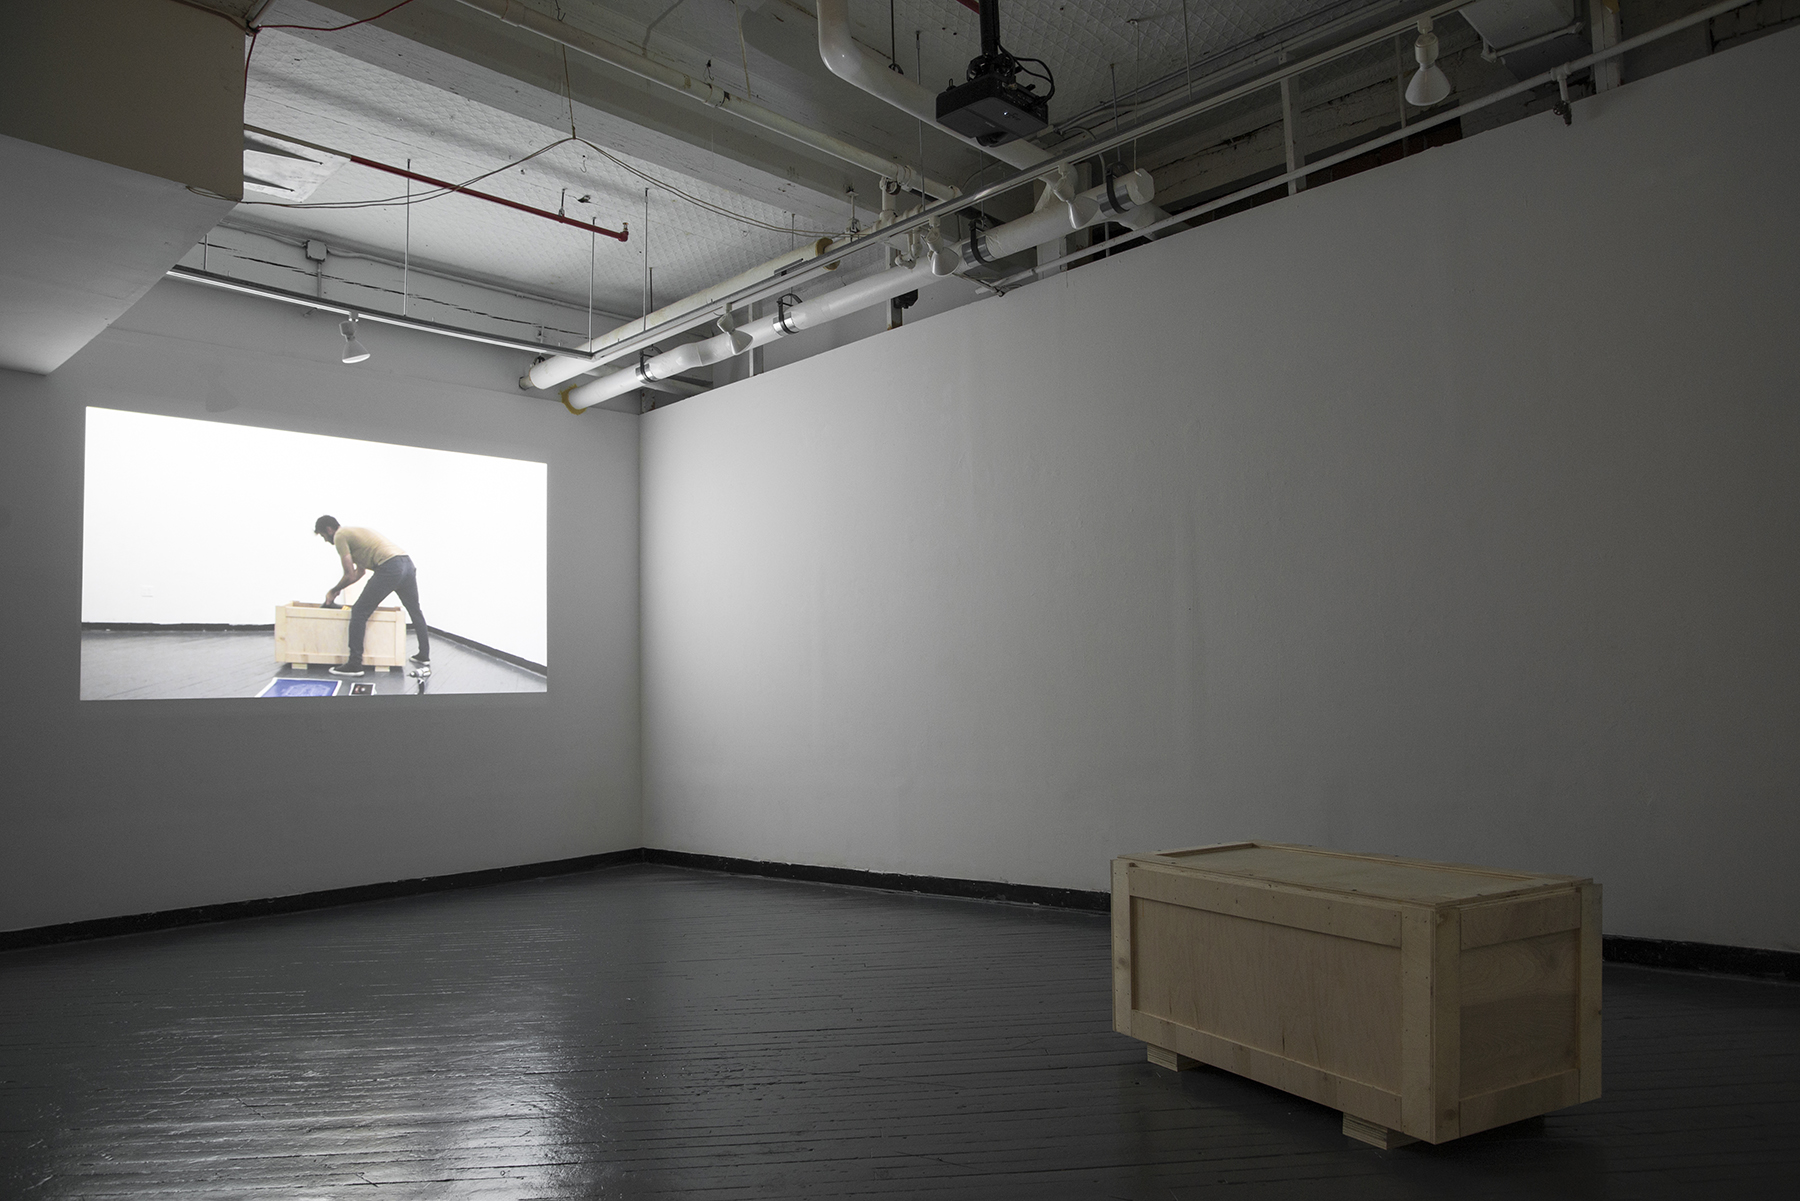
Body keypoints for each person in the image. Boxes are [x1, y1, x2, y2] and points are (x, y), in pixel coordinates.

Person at [313, 515, 430, 677]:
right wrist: (339, 589)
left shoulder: (340, 536)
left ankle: (355, 664)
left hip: (390, 567)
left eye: (323, 536)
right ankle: (424, 655)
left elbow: (348, 574)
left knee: (359, 611)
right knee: (415, 610)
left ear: (329, 529)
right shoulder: (354, 534)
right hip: (407, 564)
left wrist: (333, 591)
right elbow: (358, 573)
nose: (326, 541)